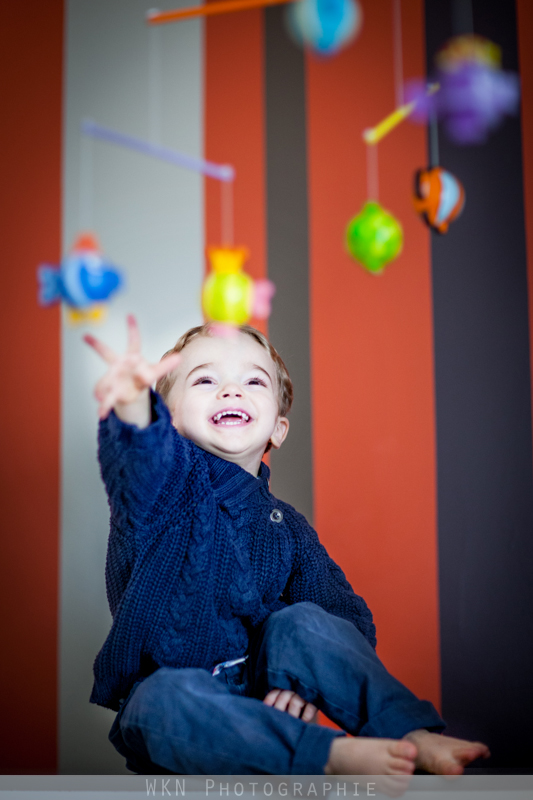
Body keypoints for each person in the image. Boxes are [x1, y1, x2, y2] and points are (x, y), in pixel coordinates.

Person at [85, 315, 489, 776]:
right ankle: (327, 757)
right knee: (155, 700)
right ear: (170, 419)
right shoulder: (163, 486)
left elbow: (344, 621)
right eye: (205, 379)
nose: (231, 390)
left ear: (278, 429)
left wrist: (301, 684)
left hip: (267, 695)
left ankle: (410, 732)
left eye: (253, 381)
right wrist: (135, 404)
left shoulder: (287, 528)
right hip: (186, 719)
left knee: (301, 622)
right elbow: (140, 454)